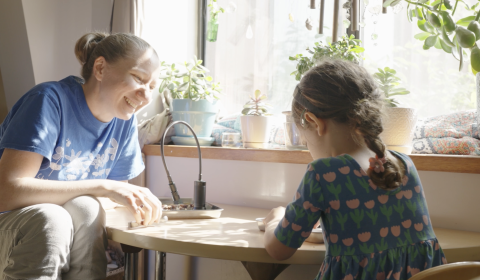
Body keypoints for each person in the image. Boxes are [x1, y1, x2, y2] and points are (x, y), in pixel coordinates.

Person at [263, 59, 446, 280]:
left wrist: (275, 218)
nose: (307, 146)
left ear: (314, 121)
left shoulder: (324, 173)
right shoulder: (404, 164)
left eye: (305, 140)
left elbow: (279, 250)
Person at [0, 32, 162, 280]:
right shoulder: (47, 101)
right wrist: (102, 186)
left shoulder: (123, 122)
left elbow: (114, 199)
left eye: (152, 87)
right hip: (11, 223)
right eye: (139, 79)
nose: (146, 96)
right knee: (53, 218)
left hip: (60, 232)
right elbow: (6, 192)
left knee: (87, 207)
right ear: (100, 68)